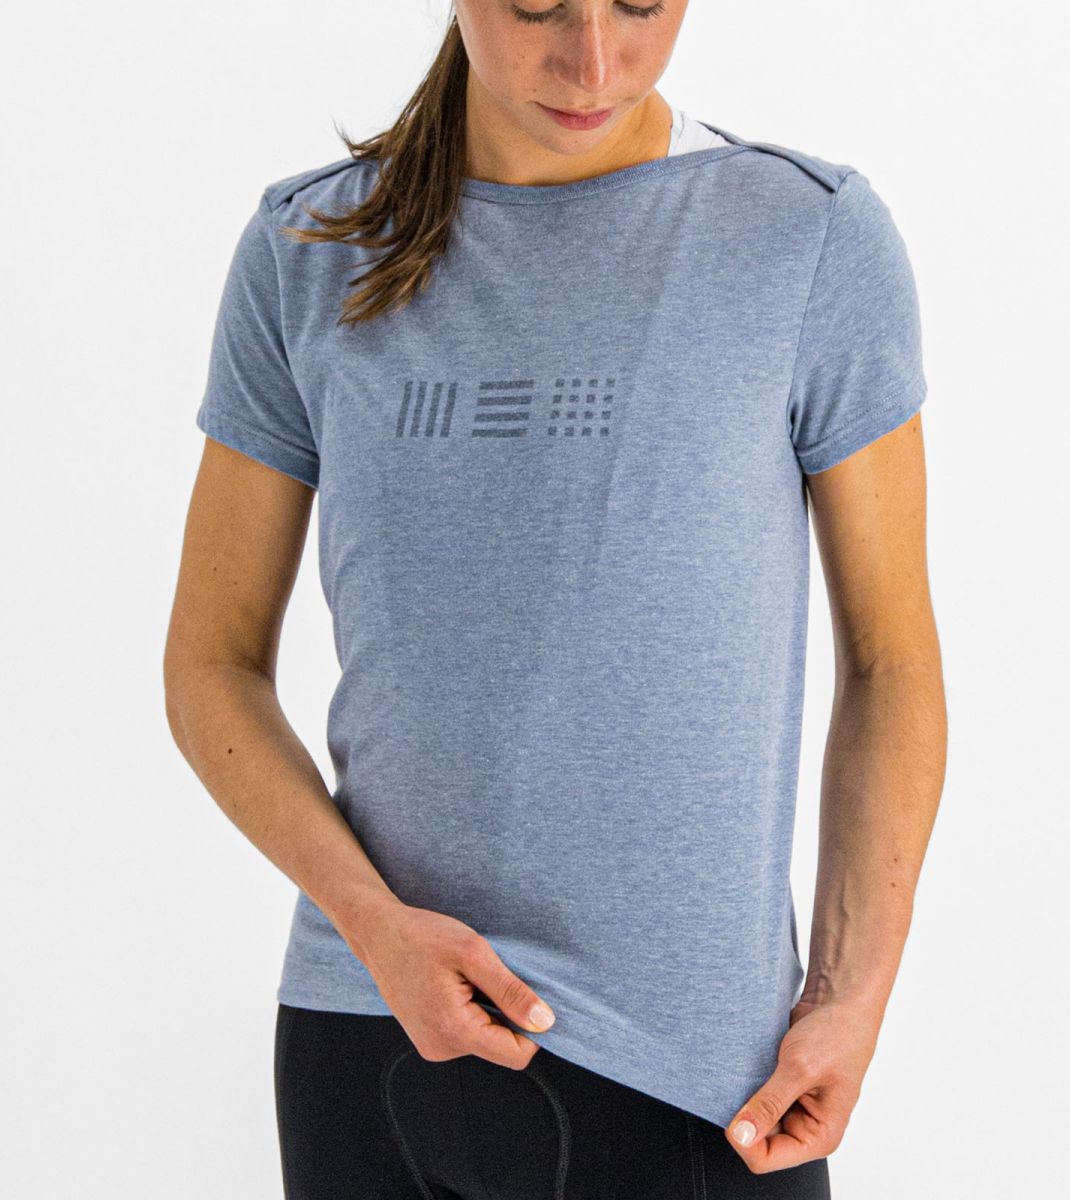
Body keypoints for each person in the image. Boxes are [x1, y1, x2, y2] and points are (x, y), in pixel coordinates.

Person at [164, 1, 948, 1196]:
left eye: (639, 4)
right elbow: (210, 663)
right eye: (537, 3)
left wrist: (852, 996)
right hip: (371, 1042)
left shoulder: (803, 238)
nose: (591, 61)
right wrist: (372, 923)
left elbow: (892, 661)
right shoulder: (308, 248)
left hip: (696, 1079)